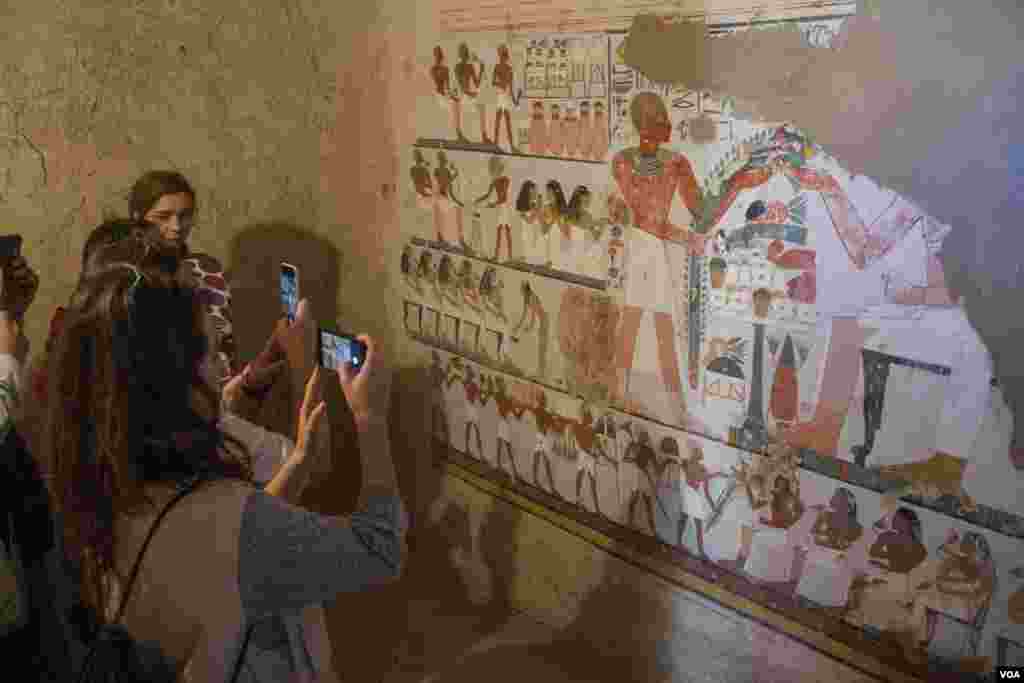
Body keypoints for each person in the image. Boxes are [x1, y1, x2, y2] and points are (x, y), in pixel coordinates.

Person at [46, 263, 405, 681]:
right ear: (171, 377)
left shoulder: (103, 486)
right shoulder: (235, 519)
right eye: (211, 352)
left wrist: (299, 461)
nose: (224, 369)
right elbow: (381, 548)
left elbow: (228, 557)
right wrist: (370, 418)